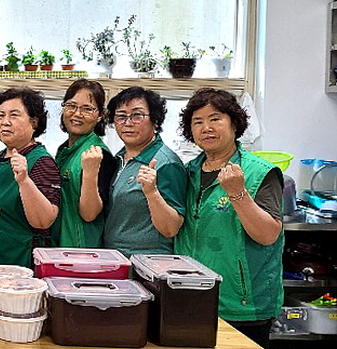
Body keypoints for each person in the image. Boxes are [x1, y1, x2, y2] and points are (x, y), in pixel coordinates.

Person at [175, 88, 283, 349]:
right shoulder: (187, 172)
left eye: (215, 119)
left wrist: (238, 193)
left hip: (243, 305)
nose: (206, 128)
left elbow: (268, 234)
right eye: (197, 122)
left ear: (234, 123)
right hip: (192, 298)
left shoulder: (259, 172)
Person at [0, 87, 60, 267]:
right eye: (0, 116)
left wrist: (24, 181)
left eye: (14, 115)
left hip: (20, 263)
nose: (5, 122)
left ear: (34, 122)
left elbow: (44, 221)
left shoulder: (41, 162)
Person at [103, 86, 186, 257]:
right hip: (118, 259)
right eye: (121, 116)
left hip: (148, 264)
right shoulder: (119, 159)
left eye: (137, 115)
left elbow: (171, 227)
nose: (128, 123)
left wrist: (152, 192)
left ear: (155, 120)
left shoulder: (165, 162)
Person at [53, 79, 117, 248]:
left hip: (81, 249)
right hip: (58, 245)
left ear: (100, 115)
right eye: (71, 106)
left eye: (87, 109)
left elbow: (90, 214)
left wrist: (90, 172)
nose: (77, 114)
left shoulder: (98, 155)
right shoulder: (64, 151)